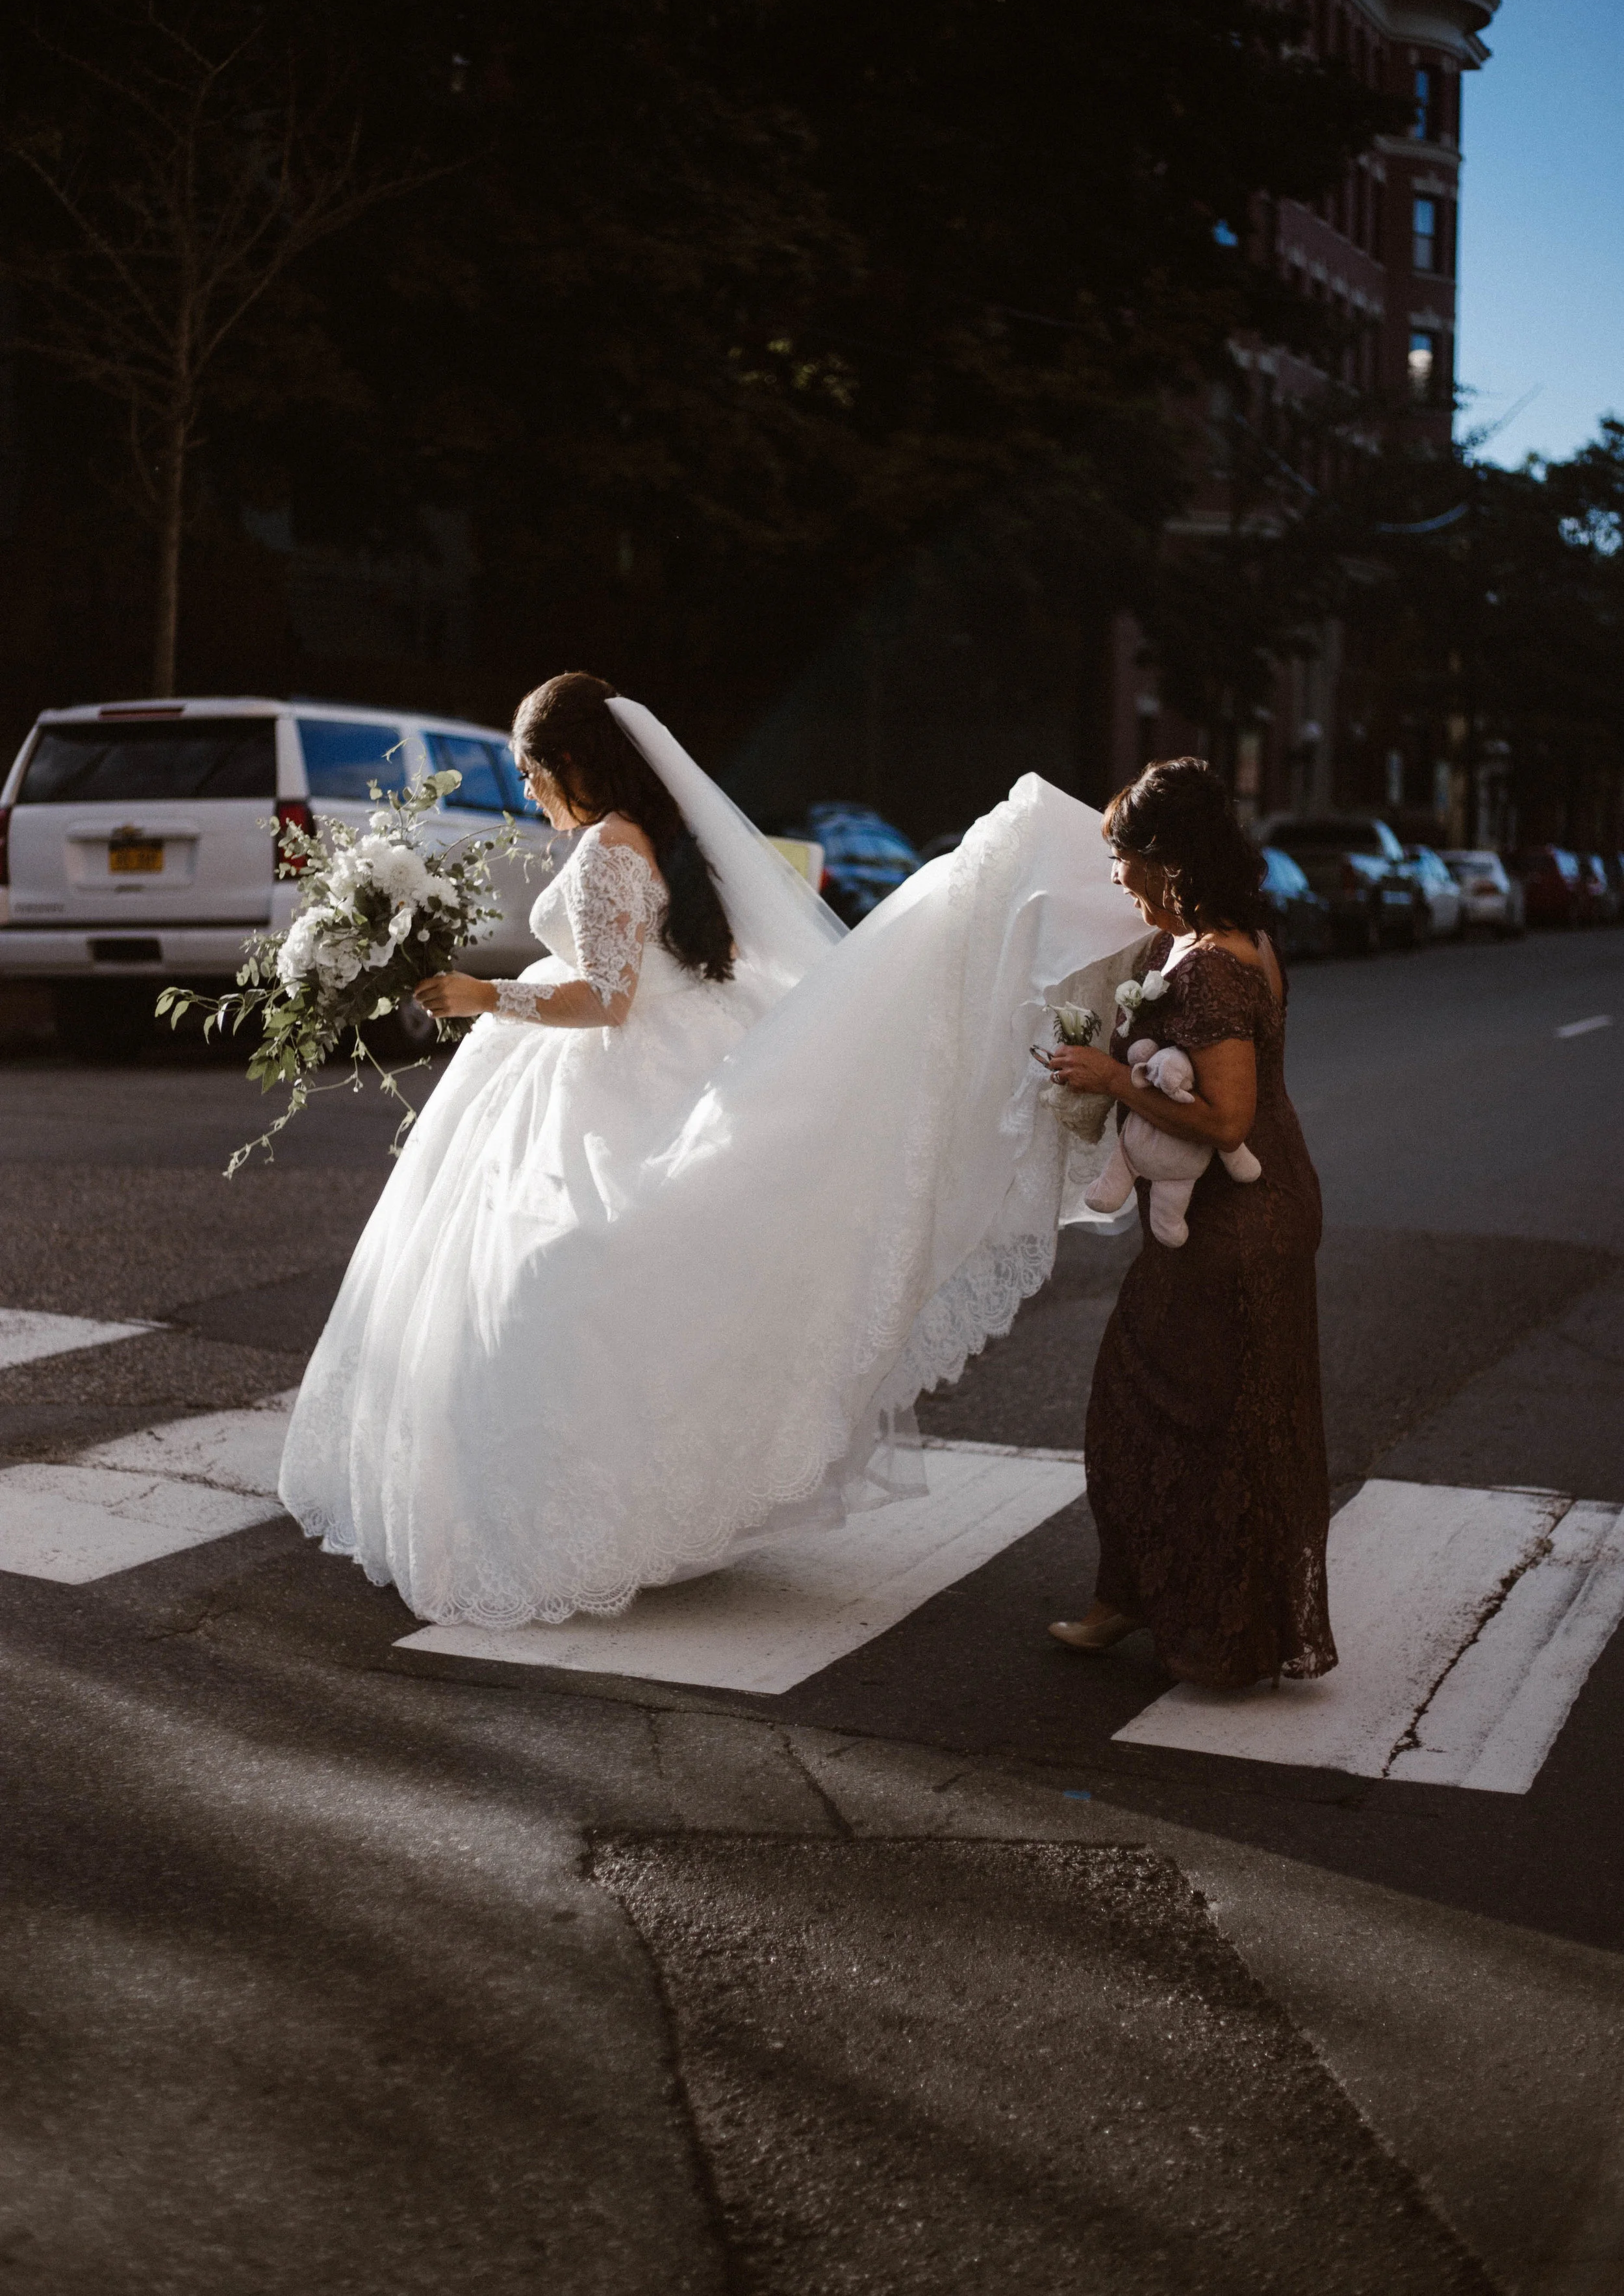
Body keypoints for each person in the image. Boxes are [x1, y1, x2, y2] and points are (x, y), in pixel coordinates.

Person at [277, 675, 1147, 1628]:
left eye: (532, 772)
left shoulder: (610, 847)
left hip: (607, 1073)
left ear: (573, 763)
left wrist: (483, 996)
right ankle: (623, 1504)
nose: (527, 792)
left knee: (556, 1275)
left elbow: (606, 999)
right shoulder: (659, 835)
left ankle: (572, 1516)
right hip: (661, 1051)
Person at [1040, 757, 1336, 1690]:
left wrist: (1114, 1078)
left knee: (1161, 1405)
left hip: (1238, 1222)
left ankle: (1207, 1625)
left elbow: (1227, 1118)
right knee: (1213, 1414)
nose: (1115, 876)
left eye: (1123, 858)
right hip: (1251, 1208)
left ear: (1168, 860)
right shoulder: (1226, 940)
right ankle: (1156, 1602)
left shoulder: (1211, 966)